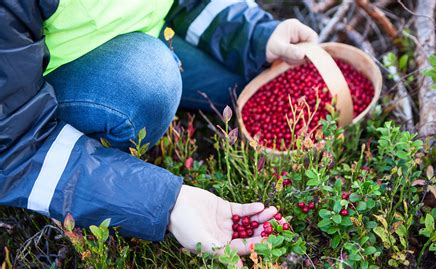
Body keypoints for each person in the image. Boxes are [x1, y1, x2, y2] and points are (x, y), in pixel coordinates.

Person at [0, 0, 317, 255]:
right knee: (151, 82)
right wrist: (166, 201)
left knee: (252, 71)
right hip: (42, 86)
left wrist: (256, 34)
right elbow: (13, 146)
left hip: (149, 31)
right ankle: (83, 176)